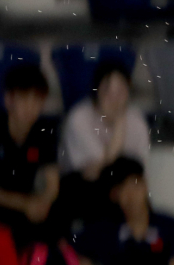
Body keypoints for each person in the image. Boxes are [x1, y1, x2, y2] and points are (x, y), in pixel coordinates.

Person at [0, 62, 62, 247]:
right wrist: (25, 205)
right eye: (24, 99)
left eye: (37, 100)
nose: (31, 107)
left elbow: (53, 182)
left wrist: (42, 203)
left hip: (27, 202)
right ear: (9, 99)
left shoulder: (45, 130)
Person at [57, 58, 150, 222]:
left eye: (120, 91)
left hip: (122, 187)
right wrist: (119, 126)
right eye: (107, 90)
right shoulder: (79, 117)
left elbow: (139, 168)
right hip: (82, 188)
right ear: (96, 91)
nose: (114, 98)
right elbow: (98, 173)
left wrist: (120, 121)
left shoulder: (136, 120)